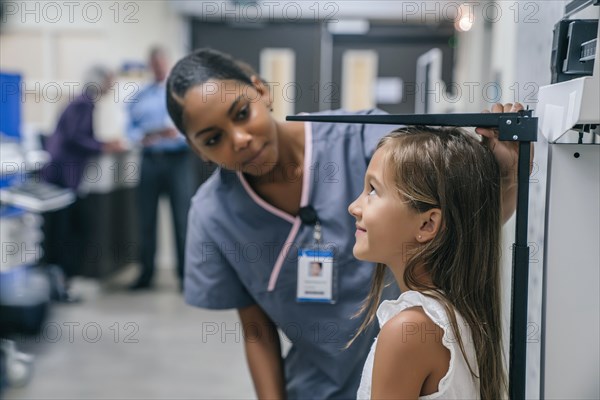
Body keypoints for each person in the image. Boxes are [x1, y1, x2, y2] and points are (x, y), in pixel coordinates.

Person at [165, 48, 524, 398]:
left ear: (262, 91)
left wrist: (506, 178)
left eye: (242, 113)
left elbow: (463, 224)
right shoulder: (212, 216)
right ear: (197, 150)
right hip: (314, 386)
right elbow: (256, 327)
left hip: (412, 372)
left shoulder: (366, 140)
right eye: (213, 139)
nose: (239, 140)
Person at [349, 127, 505, 399]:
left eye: (372, 190)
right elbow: (473, 223)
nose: (354, 206)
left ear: (428, 223)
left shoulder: (408, 332)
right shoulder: (454, 316)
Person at [42, 65, 125, 300]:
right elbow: (75, 138)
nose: (112, 85)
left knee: (65, 232)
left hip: (61, 177)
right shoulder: (84, 103)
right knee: (68, 233)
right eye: (110, 80)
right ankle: (61, 286)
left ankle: (60, 285)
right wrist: (104, 146)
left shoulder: (81, 101)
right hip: (63, 179)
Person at [127, 46, 194, 291]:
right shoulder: (139, 96)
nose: (158, 67)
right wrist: (141, 136)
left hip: (178, 160)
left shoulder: (182, 95)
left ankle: (185, 278)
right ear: (150, 65)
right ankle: (146, 274)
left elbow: (194, 127)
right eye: (154, 63)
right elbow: (130, 128)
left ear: (168, 64)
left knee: (181, 219)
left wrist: (177, 134)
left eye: (162, 63)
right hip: (149, 160)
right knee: (146, 219)